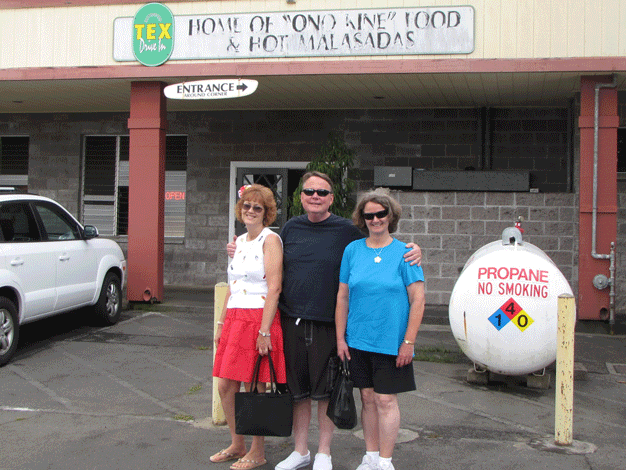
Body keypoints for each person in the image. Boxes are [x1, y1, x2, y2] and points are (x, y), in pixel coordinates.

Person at [227, 172, 421, 470]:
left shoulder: (346, 231)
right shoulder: (290, 229)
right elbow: (266, 257)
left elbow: (379, 240)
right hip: (292, 321)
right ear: (301, 197)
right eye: (309, 192)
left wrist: (414, 250)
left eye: (322, 192)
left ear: (331, 198)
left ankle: (324, 454)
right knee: (298, 392)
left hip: (329, 325)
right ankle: (301, 451)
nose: (315, 196)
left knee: (326, 393)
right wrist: (237, 248)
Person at [335, 190, 425, 470]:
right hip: (358, 339)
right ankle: (370, 455)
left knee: (386, 400)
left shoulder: (405, 253)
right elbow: (342, 297)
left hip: (391, 341)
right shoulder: (352, 250)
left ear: (390, 216)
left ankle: (385, 461)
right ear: (362, 219)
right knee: (367, 398)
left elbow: (418, 299)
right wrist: (340, 338)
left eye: (380, 214)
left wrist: (408, 341)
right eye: (369, 215)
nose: (375, 219)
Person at [212, 184, 286, 470]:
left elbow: (275, 287)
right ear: (240, 210)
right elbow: (233, 284)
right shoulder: (239, 241)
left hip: (258, 318)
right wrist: (221, 322)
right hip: (234, 317)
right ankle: (236, 442)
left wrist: (265, 331)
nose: (251, 211)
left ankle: (257, 451)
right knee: (226, 386)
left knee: (255, 385)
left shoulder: (271, 240)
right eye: (247, 206)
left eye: (258, 207)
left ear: (266, 213)